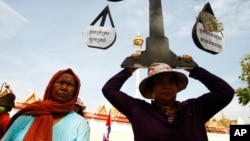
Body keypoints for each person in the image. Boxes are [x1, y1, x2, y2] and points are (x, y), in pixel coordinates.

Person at [102, 55, 234, 141]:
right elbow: (109, 89)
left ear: (177, 87)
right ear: (151, 88)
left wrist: (194, 70)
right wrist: (131, 67)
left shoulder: (194, 109)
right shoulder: (139, 110)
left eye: (171, 82)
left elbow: (225, 92)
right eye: (159, 81)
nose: (166, 86)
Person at [1, 68, 90, 141]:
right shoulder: (26, 117)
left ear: (75, 92)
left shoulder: (80, 124)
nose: (64, 87)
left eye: (70, 84)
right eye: (60, 82)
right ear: (51, 86)